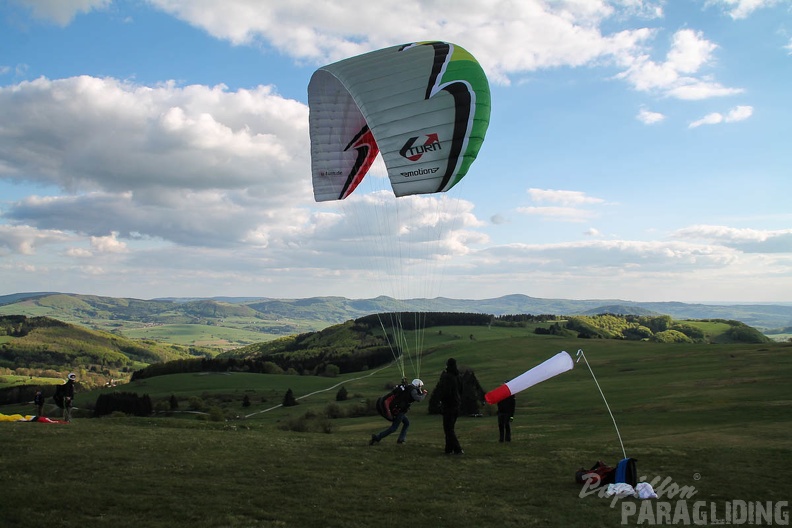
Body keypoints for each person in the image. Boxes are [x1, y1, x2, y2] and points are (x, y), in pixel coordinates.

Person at [369, 379, 427, 445]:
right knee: (394, 428)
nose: (420, 388)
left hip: (399, 409)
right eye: (420, 386)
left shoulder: (408, 387)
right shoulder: (412, 390)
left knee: (406, 423)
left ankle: (401, 439)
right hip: (400, 411)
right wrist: (424, 394)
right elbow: (418, 398)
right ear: (417, 385)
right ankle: (377, 437)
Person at [436, 358, 464, 455]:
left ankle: (457, 449)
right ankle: (448, 449)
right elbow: (461, 390)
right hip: (457, 405)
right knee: (450, 427)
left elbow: (445, 391)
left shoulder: (447, 377)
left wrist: (440, 400)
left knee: (448, 429)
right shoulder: (458, 376)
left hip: (449, 405)